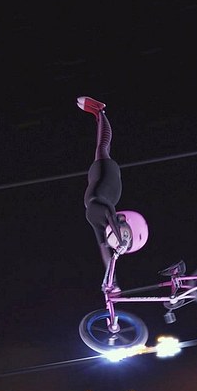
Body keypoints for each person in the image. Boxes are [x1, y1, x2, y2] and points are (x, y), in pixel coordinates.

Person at [78, 96, 149, 274]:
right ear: (125, 222)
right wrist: (121, 241)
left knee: (103, 148)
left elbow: (104, 249)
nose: (120, 240)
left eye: (123, 239)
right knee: (102, 147)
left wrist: (112, 279)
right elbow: (110, 216)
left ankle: (98, 114)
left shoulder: (100, 225)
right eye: (125, 234)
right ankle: (100, 110)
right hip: (106, 176)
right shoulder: (106, 210)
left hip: (103, 182)